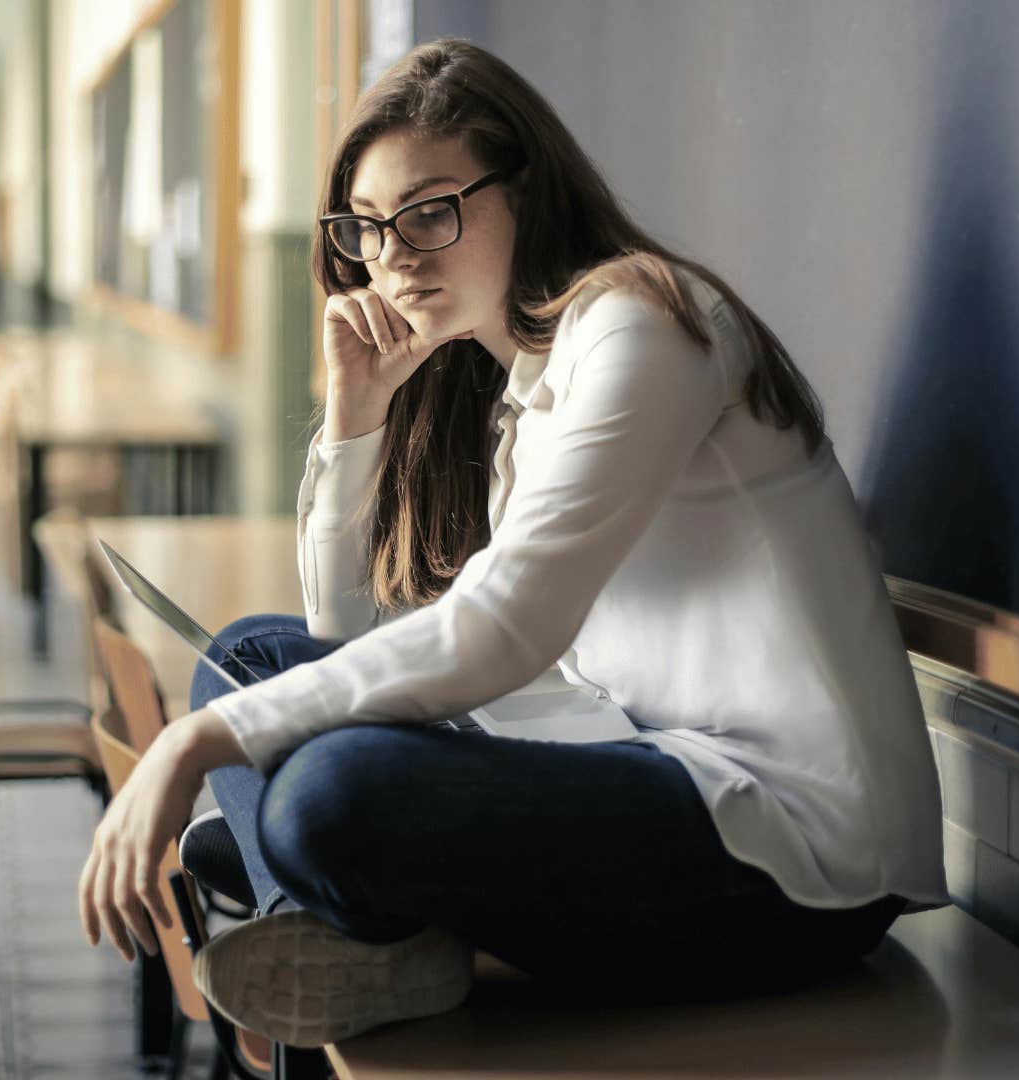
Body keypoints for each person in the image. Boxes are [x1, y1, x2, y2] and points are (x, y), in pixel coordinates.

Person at [77, 38, 948, 1049]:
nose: (395, 256)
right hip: (635, 758)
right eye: (367, 228)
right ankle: (344, 926)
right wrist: (355, 419)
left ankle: (326, 901)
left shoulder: (644, 327)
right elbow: (340, 631)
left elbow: (507, 628)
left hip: (798, 854)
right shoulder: (521, 395)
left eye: (431, 211)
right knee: (247, 666)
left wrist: (195, 748)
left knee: (324, 789)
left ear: (528, 192)